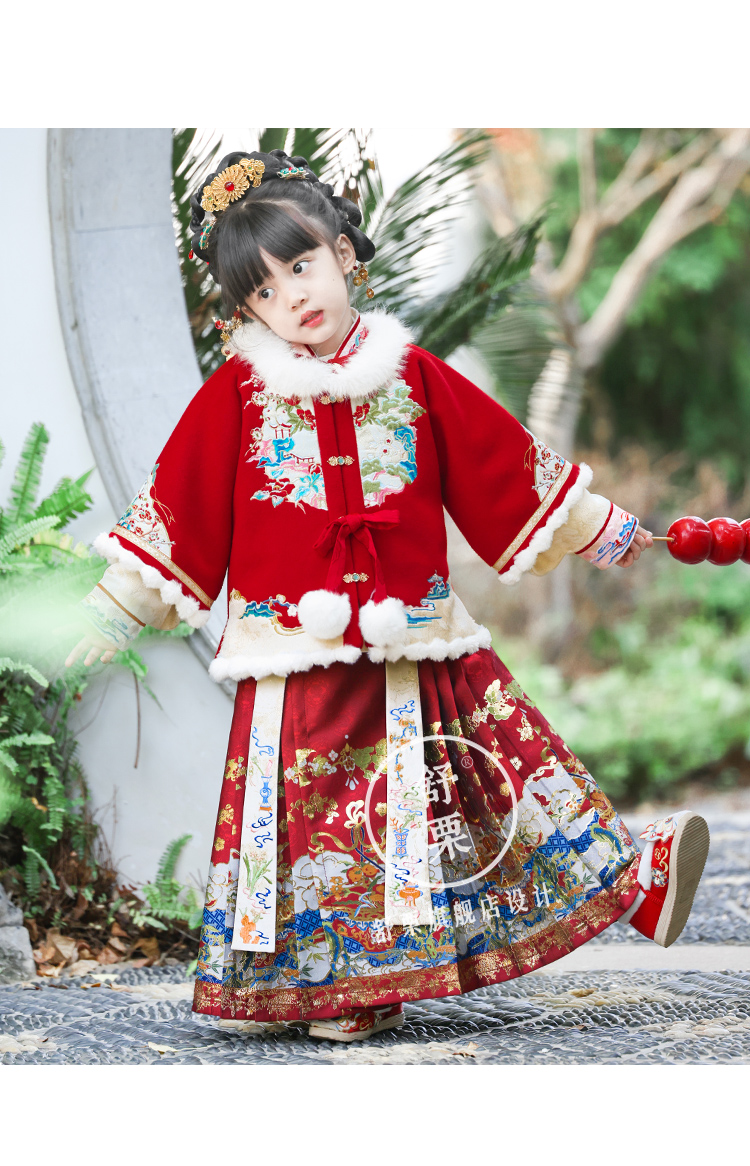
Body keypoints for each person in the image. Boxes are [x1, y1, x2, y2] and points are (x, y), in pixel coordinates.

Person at [66, 148, 710, 1043]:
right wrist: (119, 604)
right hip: (296, 660)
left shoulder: (413, 375)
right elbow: (180, 505)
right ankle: (320, 982)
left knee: (505, 760)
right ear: (247, 312)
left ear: (343, 254)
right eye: (264, 291)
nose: (293, 296)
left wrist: (598, 524)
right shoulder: (238, 398)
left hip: (416, 637)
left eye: (302, 265)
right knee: (315, 819)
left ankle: (631, 885)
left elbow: (500, 463)